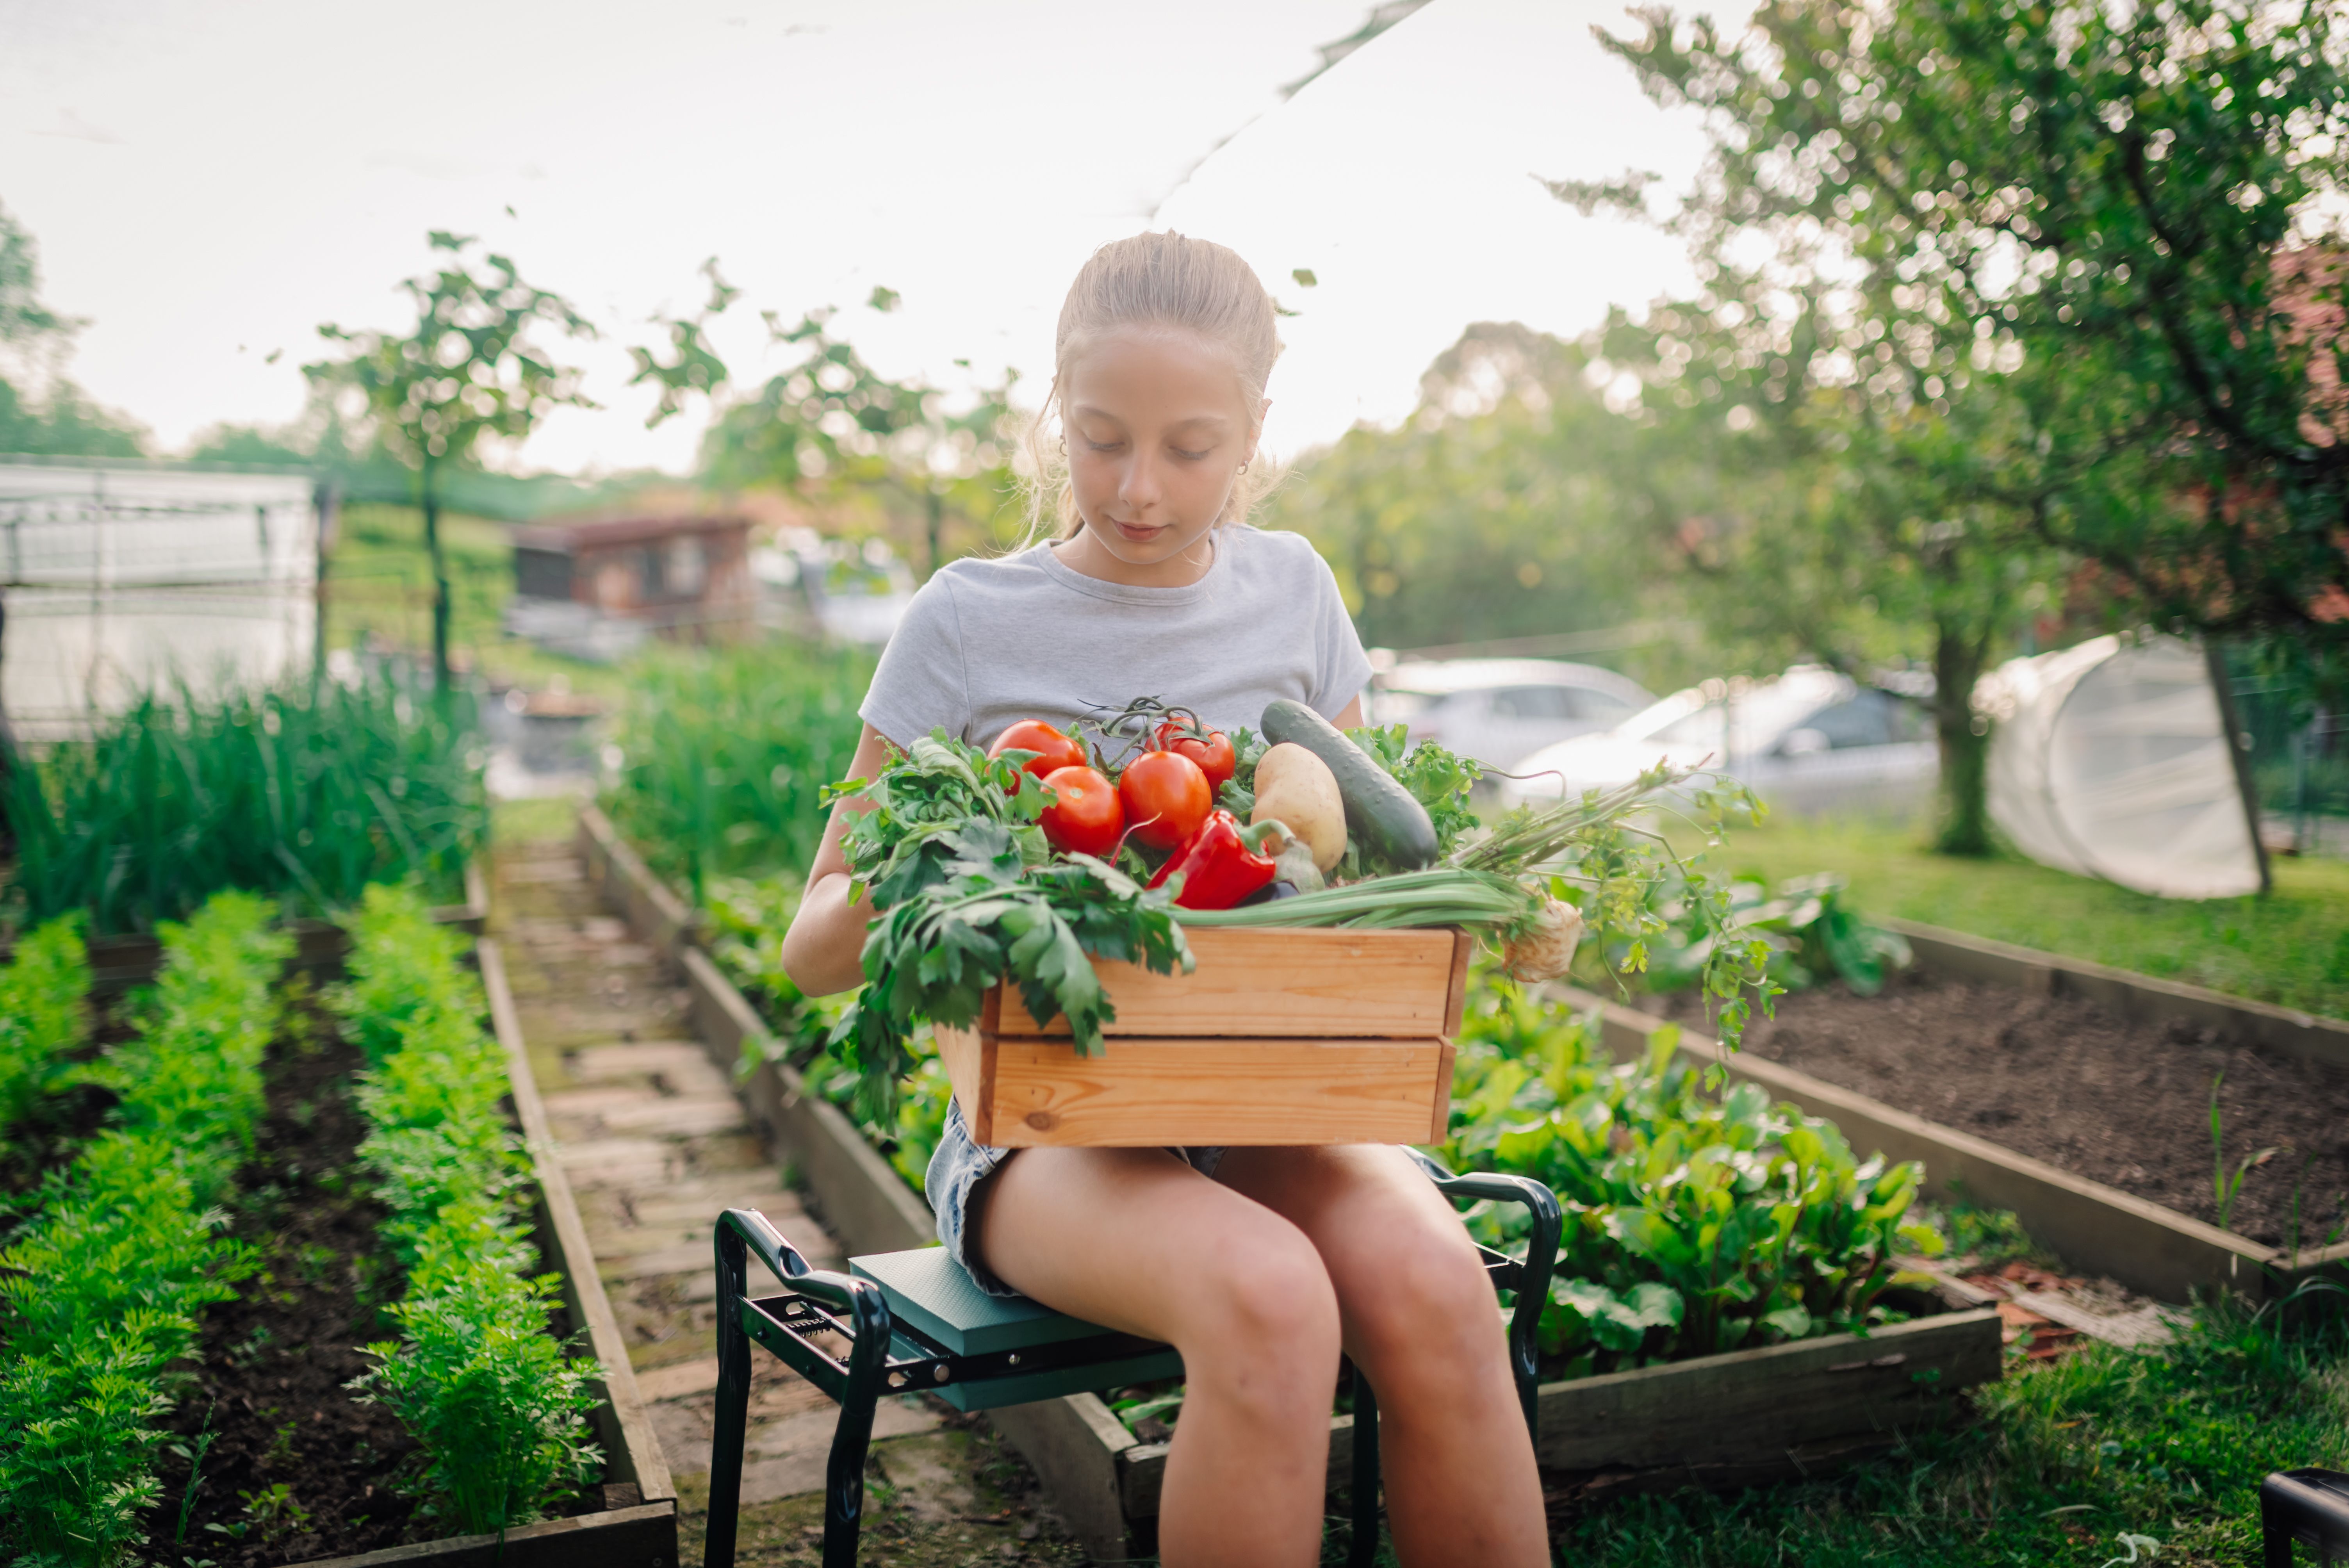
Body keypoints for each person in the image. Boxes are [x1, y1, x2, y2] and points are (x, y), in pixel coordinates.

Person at [780, 232, 1546, 1568]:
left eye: (1190, 447)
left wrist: (1470, 900)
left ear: (1254, 431)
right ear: (1055, 418)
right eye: (1101, 438)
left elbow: (1354, 877)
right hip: (1051, 1130)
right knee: (1269, 1302)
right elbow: (812, 948)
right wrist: (956, 855)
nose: (1139, 488)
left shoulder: (1296, 591)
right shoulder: (965, 620)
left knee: (1439, 1289)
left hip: (1272, 1095)